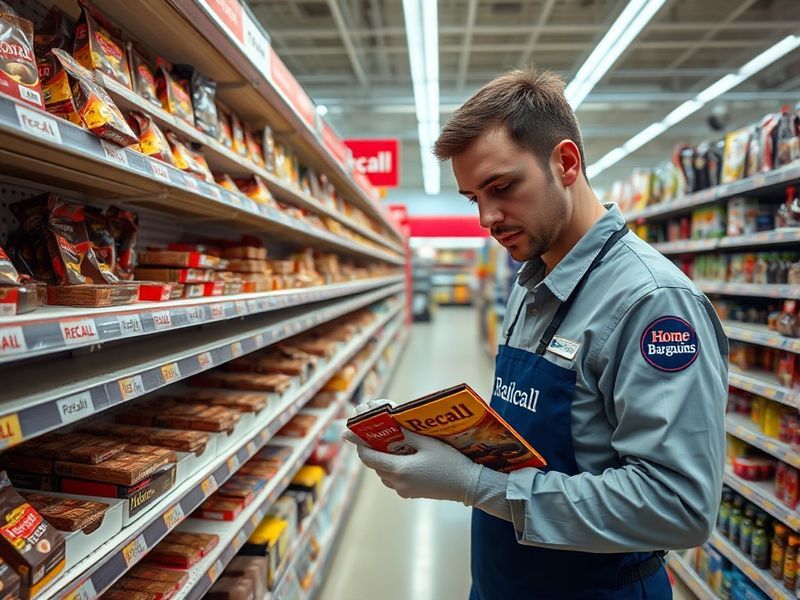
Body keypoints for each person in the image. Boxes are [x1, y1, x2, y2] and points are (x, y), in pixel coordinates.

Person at [343, 68, 728, 599]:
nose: (486, 217)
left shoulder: (654, 303)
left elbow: (678, 507)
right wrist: (435, 436)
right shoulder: (529, 278)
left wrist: (475, 485)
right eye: (471, 197)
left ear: (565, 163)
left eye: (501, 187)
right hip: (506, 579)